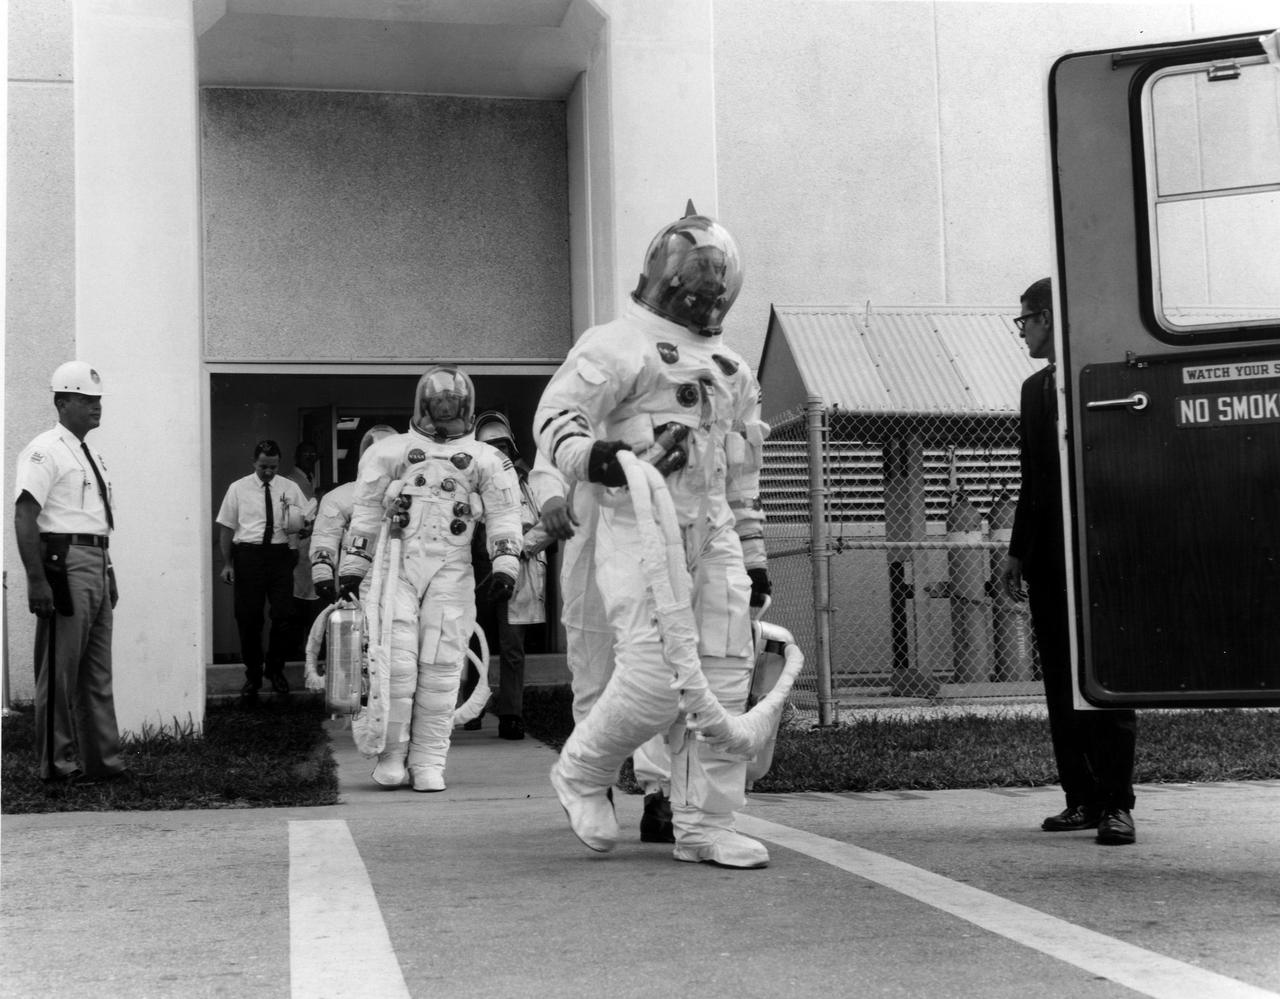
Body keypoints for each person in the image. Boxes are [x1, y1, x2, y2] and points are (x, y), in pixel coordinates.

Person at [535, 206, 772, 868]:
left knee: (723, 676)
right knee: (656, 679)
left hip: (712, 531)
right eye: (696, 276)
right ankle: (583, 772)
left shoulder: (730, 367)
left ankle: (703, 822)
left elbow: (741, 473)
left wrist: (752, 554)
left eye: (717, 278)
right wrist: (599, 459)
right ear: (666, 274)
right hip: (638, 526)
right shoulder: (618, 343)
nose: (706, 288)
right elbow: (558, 417)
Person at [336, 366, 522, 792]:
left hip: (451, 569)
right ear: (423, 405)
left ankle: (429, 761)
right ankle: (392, 757)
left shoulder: (487, 459)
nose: (444, 409)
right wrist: (352, 569)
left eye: (451, 403)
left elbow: (505, 517)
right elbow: (365, 514)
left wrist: (505, 566)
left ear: (465, 406)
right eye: (437, 402)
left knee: (440, 668)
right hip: (395, 567)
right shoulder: (391, 451)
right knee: (395, 666)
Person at [1000, 276, 1138, 846]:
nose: (1023, 330)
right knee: (1059, 676)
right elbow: (1033, 481)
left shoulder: (1100, 380)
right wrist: (1015, 554)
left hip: (1099, 557)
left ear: (1050, 318)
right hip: (1048, 560)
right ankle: (1080, 797)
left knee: (1103, 680)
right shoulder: (1035, 391)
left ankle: (1117, 804)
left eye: (1026, 319)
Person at [528, 453, 675, 843]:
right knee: (592, 677)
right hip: (588, 554)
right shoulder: (579, 399)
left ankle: (659, 795)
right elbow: (549, 462)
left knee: (654, 676)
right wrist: (552, 500)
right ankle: (593, 788)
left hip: (646, 551)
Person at [13, 361, 126, 784]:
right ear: (62, 402)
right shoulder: (44, 450)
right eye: (86, 399)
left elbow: (94, 519)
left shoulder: (90, 452)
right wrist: (36, 579)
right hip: (63, 562)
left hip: (95, 560)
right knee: (60, 671)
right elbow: (26, 514)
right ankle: (57, 766)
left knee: (97, 671)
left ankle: (104, 764)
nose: (96, 407)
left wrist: (108, 568)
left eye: (97, 399)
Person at [460, 411, 547, 741]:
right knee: (471, 641)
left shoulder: (531, 482)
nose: (498, 453)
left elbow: (548, 524)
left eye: (502, 446)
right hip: (476, 571)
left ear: (512, 448)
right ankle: (471, 706)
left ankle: (511, 714)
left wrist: (520, 544)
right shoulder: (467, 482)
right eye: (490, 447)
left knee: (512, 648)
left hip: (516, 570)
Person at [216, 440, 310, 697]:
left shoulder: (289, 487)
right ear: (254, 463)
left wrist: (302, 528)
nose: (268, 472)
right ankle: (254, 674)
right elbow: (226, 527)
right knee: (248, 619)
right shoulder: (238, 488)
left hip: (280, 555)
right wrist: (227, 564)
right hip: (248, 555)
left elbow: (305, 518)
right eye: (263, 467)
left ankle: (275, 670)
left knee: (283, 616)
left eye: (273, 466)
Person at [310, 425, 398, 606]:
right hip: (353, 580)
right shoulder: (339, 497)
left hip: (398, 578)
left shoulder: (410, 497)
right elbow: (326, 536)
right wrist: (322, 573)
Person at [286, 440, 322, 656]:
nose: (310, 457)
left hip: (312, 550)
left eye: (313, 454)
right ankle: (295, 652)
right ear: (297, 457)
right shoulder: (291, 482)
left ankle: (308, 650)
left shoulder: (311, 480)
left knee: (311, 601)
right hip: (298, 549)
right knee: (296, 603)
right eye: (305, 454)